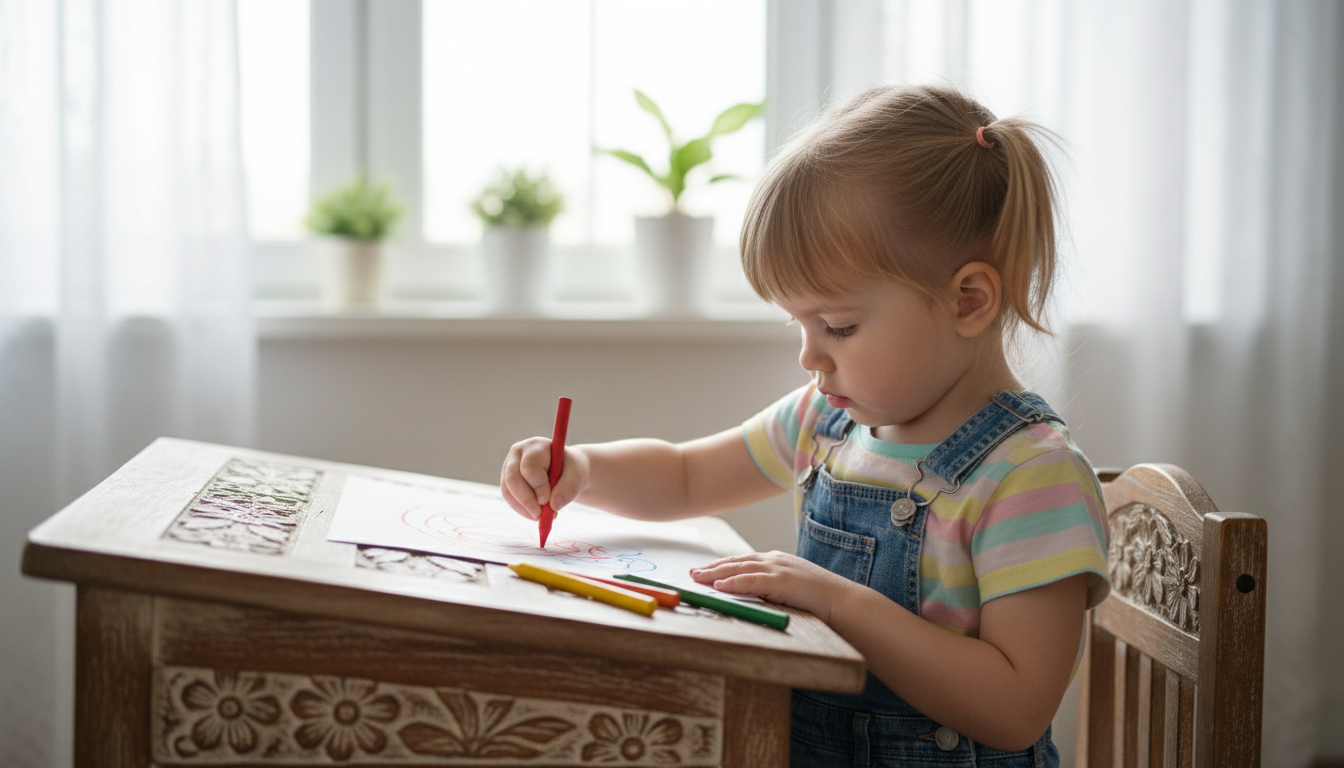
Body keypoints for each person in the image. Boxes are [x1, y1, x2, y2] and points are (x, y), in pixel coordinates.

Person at [500, 84, 1111, 767]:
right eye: (798, 324)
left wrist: (838, 603)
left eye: (839, 326)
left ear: (967, 300)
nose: (808, 354)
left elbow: (1015, 709)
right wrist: (583, 471)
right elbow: (686, 475)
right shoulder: (827, 421)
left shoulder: (1032, 476)